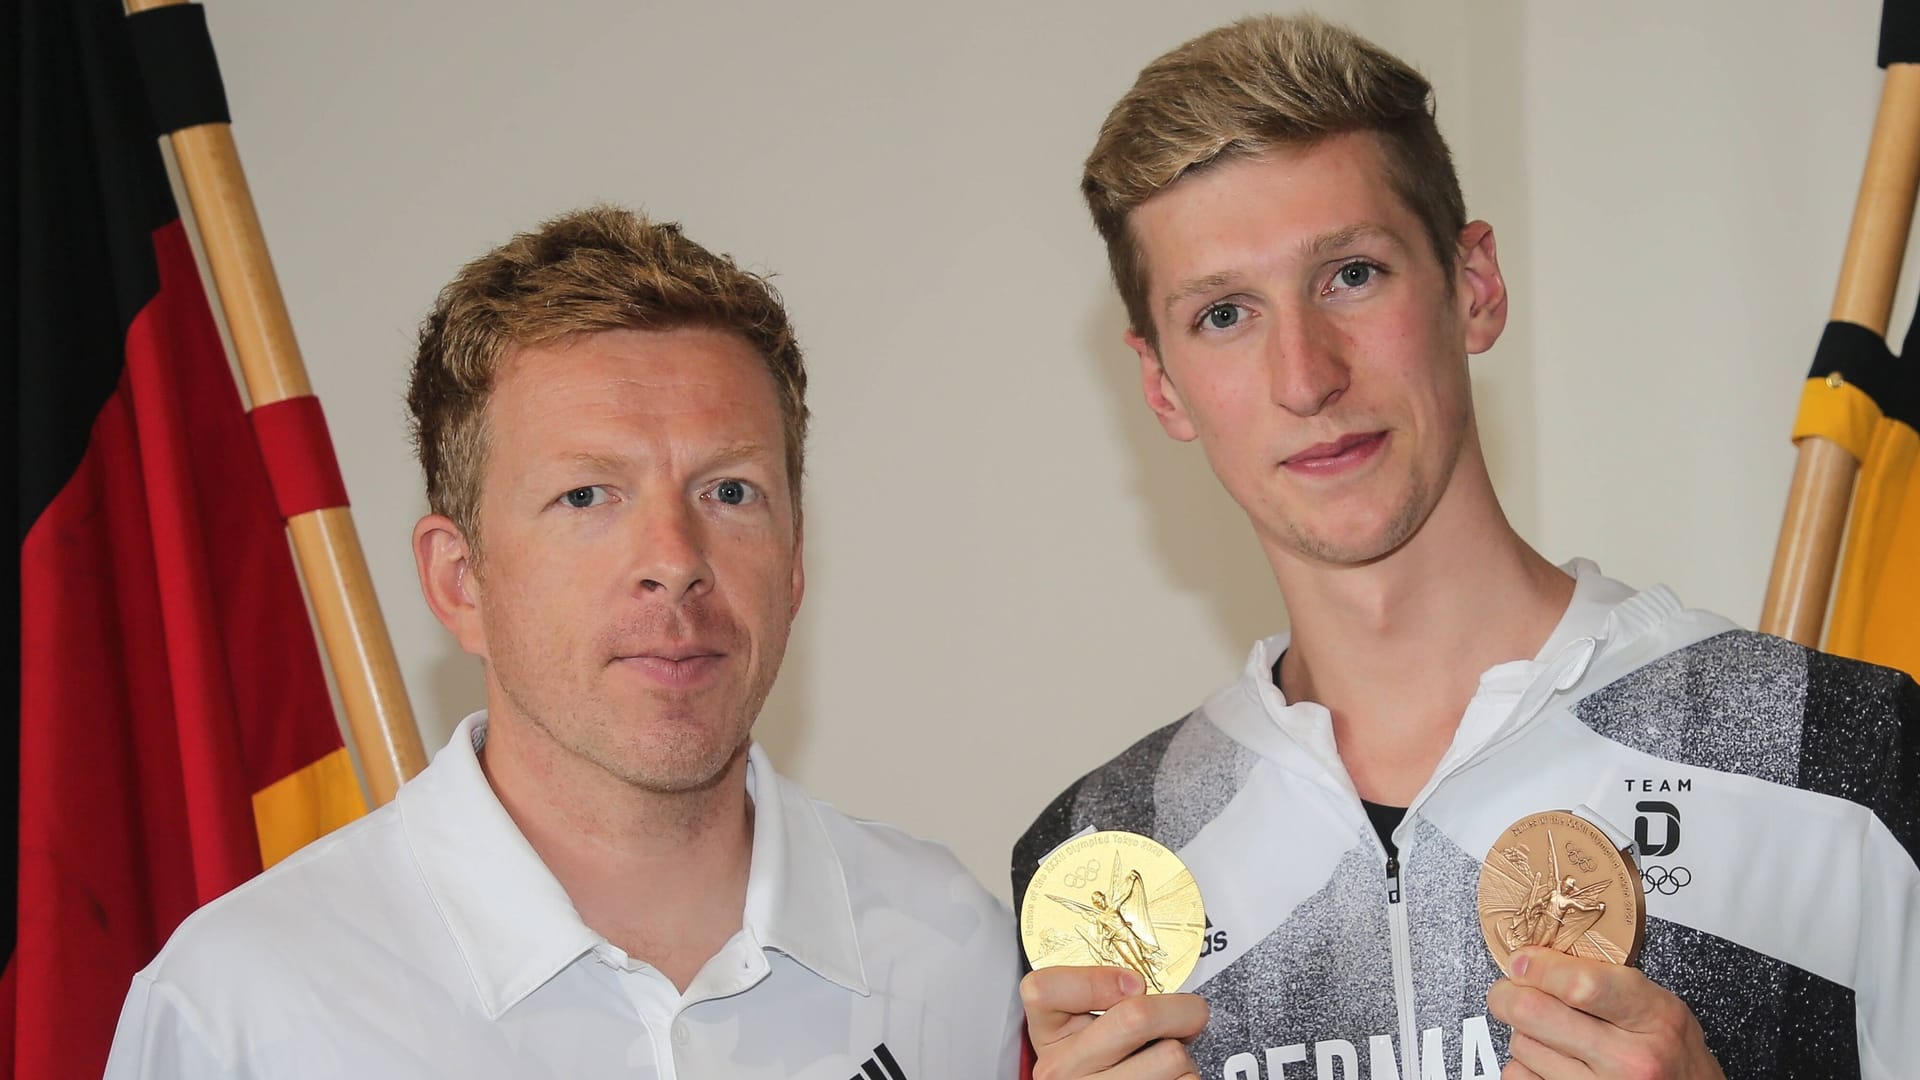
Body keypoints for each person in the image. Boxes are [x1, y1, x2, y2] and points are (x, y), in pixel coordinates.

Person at [1012, 15, 1919, 1080]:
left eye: (1351, 274)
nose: (1306, 377)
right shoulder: (1101, 859)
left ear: (1473, 286)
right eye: (1223, 314)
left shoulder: (1832, 752)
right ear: (1162, 383)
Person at [105, 207, 1022, 1078]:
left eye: (730, 492)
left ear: (793, 565)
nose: (675, 562)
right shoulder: (245, 1011)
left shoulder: (951, 949)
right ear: (459, 580)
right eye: (587, 496)